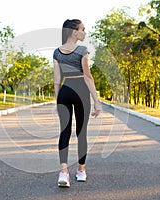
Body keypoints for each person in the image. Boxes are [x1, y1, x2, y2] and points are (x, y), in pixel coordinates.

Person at [53, 19, 101, 188]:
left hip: (65, 91)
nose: (84, 32)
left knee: (64, 131)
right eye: (82, 29)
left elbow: (57, 80)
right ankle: (81, 171)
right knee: (82, 132)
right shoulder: (82, 50)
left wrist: (57, 100)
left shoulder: (57, 52)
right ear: (74, 31)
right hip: (80, 90)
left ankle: (63, 172)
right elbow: (88, 77)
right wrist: (96, 101)